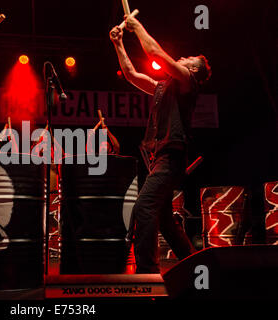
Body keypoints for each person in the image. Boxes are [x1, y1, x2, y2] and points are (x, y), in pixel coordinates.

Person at [110, 14, 211, 273]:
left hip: (171, 158)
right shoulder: (162, 87)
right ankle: (195, 265)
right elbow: (132, 75)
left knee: (144, 207)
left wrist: (137, 27)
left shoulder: (189, 83)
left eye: (187, 60)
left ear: (194, 70)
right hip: (159, 159)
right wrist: (119, 43)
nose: (181, 58)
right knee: (165, 220)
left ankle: (147, 274)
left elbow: (155, 53)